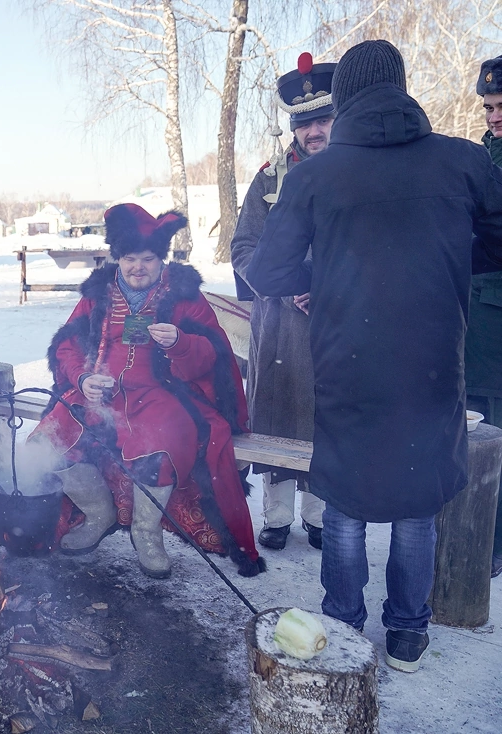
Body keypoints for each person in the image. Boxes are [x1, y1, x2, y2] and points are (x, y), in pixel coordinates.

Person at [247, 40, 502, 673]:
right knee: (417, 504)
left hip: (347, 360)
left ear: (350, 98)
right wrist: (442, 262)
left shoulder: (313, 176)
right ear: (402, 86)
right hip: (433, 365)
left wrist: (330, 268)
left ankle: (344, 626)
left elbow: (268, 270)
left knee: (346, 501)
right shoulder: (464, 161)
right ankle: (408, 637)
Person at [31, 203, 265, 579]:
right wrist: (82, 380)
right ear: (117, 259)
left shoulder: (184, 296)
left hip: (161, 393)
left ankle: (146, 530)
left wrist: (181, 343)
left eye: (148, 259)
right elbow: (67, 346)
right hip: (97, 393)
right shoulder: (99, 294)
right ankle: (98, 514)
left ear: (162, 260)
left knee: (164, 443)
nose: (137, 267)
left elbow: (213, 358)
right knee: (48, 444)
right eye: (128, 259)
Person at [231, 53, 335, 552]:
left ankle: (319, 516)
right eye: (304, 122)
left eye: (322, 119)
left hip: (333, 324)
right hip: (275, 324)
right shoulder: (269, 178)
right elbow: (243, 247)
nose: (313, 131)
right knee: (273, 414)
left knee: (322, 418)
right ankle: (275, 516)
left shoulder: (356, 172)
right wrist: (279, 282)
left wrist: (331, 286)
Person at [469, 55, 502, 578]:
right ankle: (485, 535)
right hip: (480, 317)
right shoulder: (481, 157)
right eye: (489, 105)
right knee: (483, 425)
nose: (494, 115)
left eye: (501, 105)